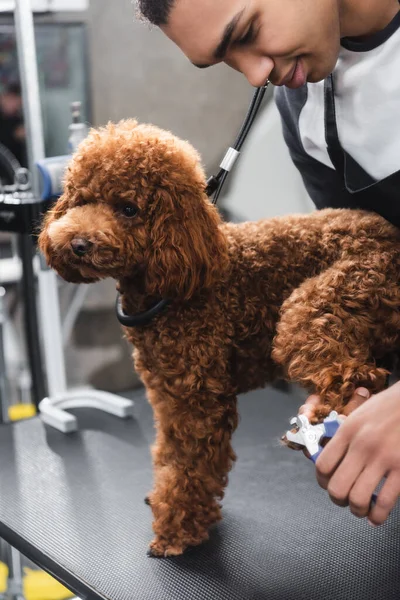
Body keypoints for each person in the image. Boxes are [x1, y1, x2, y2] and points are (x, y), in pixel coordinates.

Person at [137, 0, 400, 526]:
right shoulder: (300, 104)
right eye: (226, 59)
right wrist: (364, 391)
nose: (257, 73)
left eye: (250, 31)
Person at [0, 82, 27, 168]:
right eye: (9, 99)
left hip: (16, 168)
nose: (13, 104)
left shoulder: (19, 118)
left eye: (15, 100)